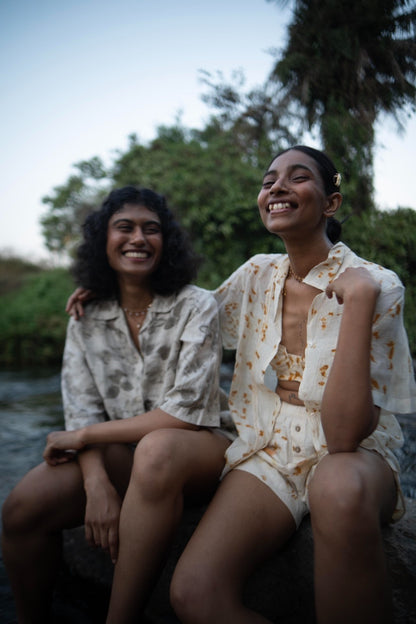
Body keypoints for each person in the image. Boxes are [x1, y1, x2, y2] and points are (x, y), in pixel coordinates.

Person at [166, 146, 416, 624]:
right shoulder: (255, 274)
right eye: (268, 181)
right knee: (194, 594)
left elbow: (345, 437)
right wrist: (111, 290)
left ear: (331, 204)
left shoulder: (379, 284)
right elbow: (185, 321)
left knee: (337, 486)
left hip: (353, 454)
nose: (276, 187)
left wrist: (358, 301)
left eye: (297, 178)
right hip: (268, 446)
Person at [2, 186, 233, 624]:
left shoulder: (196, 305)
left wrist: (84, 438)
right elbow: (82, 411)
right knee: (21, 510)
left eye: (152, 229)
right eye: (124, 228)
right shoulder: (86, 317)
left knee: (158, 448)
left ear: (167, 243)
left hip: (200, 450)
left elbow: (185, 414)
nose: (138, 238)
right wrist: (96, 485)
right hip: (127, 456)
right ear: (101, 241)